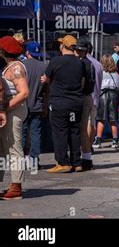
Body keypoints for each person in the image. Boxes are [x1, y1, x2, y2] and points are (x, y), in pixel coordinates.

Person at [43, 35, 85, 174]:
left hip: (60, 102)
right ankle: (77, 162)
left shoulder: (56, 61)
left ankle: (63, 162)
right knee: (74, 131)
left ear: (63, 46)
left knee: (60, 132)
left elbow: (46, 79)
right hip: (76, 102)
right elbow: (82, 82)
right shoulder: (80, 62)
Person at [0, 36, 29, 200]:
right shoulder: (11, 66)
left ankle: (16, 186)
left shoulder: (16, 67)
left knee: (13, 148)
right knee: (4, 148)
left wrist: (5, 107)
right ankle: (12, 184)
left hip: (14, 111)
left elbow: (24, 92)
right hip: (11, 110)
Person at [21, 41, 48, 168]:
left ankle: (20, 160)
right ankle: (34, 160)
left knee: (22, 132)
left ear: (27, 53)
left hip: (22, 105)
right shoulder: (44, 67)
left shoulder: (21, 66)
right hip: (38, 104)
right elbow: (47, 89)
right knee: (35, 133)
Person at [74, 39, 96, 171]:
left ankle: (86, 160)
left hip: (82, 97)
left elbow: (81, 84)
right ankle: (86, 158)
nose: (75, 52)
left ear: (82, 51)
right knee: (83, 129)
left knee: (81, 130)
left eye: (77, 50)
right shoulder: (92, 63)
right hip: (89, 97)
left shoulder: (82, 63)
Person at [94, 55, 119, 149]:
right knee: (113, 119)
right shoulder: (115, 73)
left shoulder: (100, 72)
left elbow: (97, 85)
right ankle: (115, 139)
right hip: (113, 96)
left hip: (102, 96)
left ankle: (98, 139)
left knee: (101, 118)